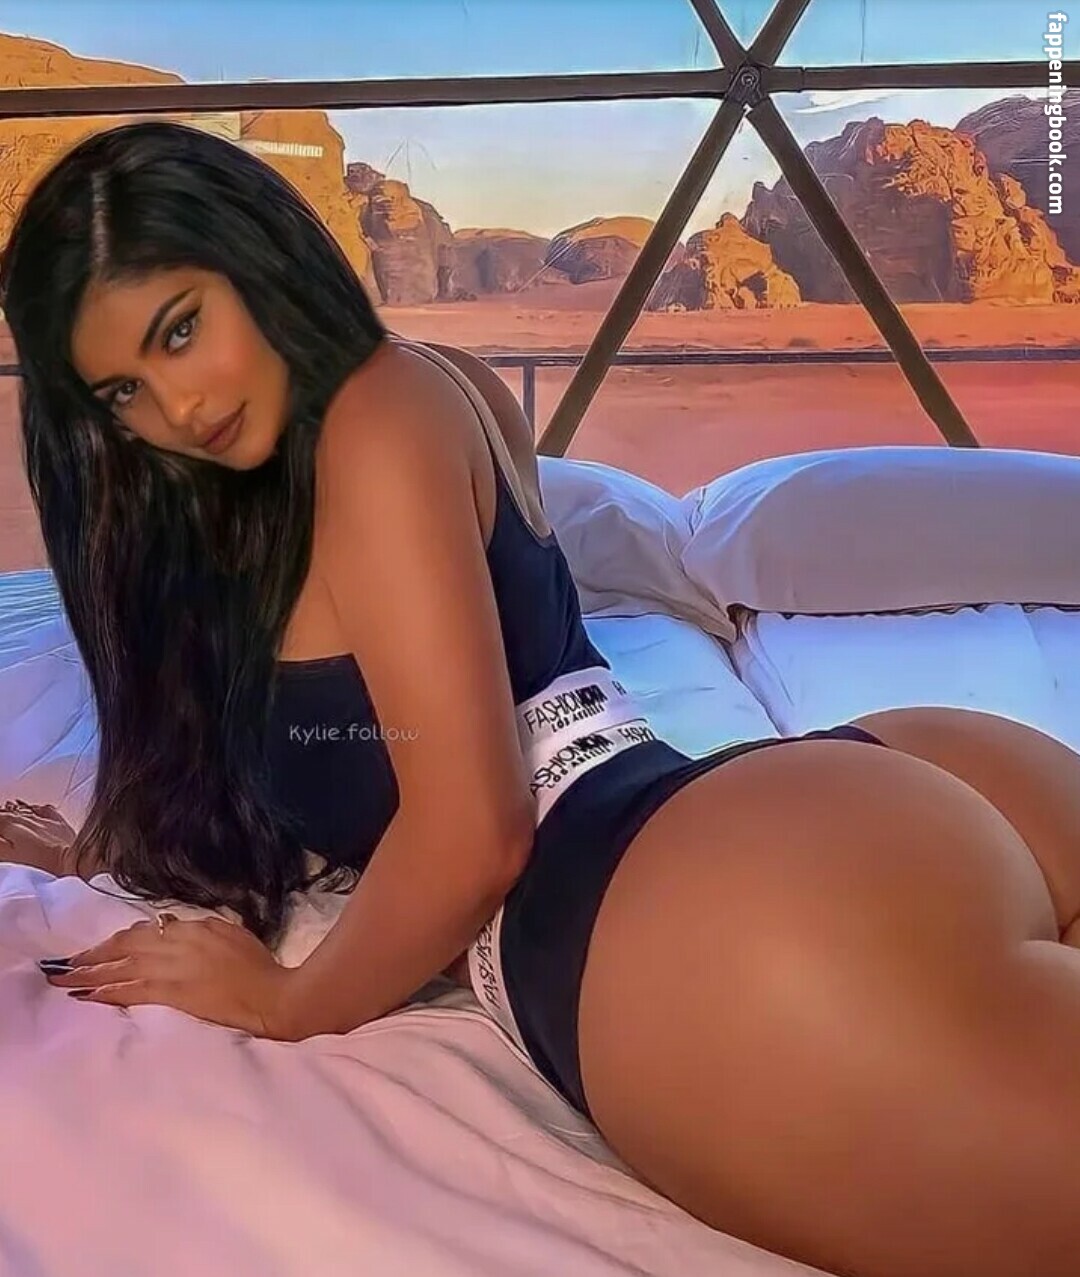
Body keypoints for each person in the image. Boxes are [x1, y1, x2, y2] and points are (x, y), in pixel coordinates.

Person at [3, 120, 1079, 1277]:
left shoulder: (372, 419)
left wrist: (285, 1001)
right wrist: (114, 846)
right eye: (122, 391)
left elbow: (470, 831)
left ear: (254, 255)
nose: (175, 408)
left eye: (181, 329)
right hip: (864, 792)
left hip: (711, 926)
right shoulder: (432, 391)